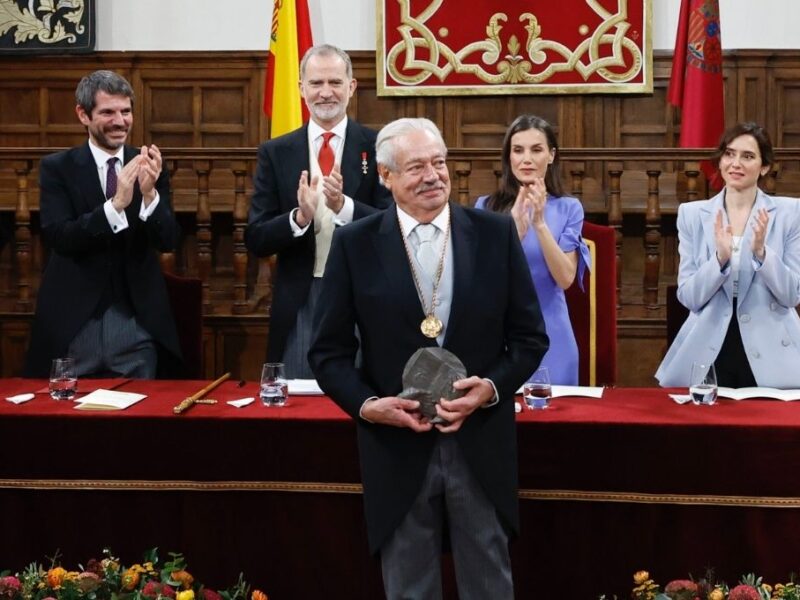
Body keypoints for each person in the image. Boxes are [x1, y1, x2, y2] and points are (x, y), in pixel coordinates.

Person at [308, 118, 549, 599]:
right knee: (409, 588)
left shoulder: (495, 233)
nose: (433, 175)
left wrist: (491, 389)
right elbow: (328, 352)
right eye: (416, 166)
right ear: (385, 175)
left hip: (479, 442)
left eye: (439, 162)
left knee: (489, 585)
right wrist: (367, 405)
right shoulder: (356, 244)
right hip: (396, 448)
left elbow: (528, 340)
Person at [245, 44, 392, 378]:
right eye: (316, 83)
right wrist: (299, 219)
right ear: (301, 89)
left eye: (335, 82)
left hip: (364, 295)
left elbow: (394, 224)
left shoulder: (379, 146)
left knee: (364, 400)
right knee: (300, 408)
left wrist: (346, 207)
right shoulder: (276, 152)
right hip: (302, 297)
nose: (326, 93)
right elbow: (256, 237)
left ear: (351, 87)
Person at [24, 70, 182, 379]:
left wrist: (149, 195)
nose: (120, 121)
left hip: (136, 328)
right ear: (83, 114)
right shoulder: (58, 168)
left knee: (141, 423)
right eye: (108, 112)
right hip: (73, 328)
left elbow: (167, 240)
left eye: (126, 111)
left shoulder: (148, 164)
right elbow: (61, 238)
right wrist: (115, 206)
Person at [656, 122, 800, 388]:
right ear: (720, 161)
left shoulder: (791, 213)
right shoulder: (692, 214)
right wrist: (719, 259)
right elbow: (689, 297)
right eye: (729, 154)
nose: (736, 163)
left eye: (748, 156)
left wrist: (762, 254)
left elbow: (791, 295)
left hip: (771, 345)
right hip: (710, 345)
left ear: (765, 166)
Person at [475, 115, 590, 384]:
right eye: (518, 150)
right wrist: (513, 232)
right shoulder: (485, 207)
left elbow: (565, 278)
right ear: (508, 157)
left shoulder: (569, 208)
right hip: (499, 335)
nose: (526, 159)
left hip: (553, 335)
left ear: (551, 156)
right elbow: (481, 282)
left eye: (536, 150)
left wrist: (539, 224)